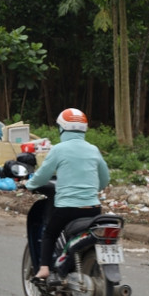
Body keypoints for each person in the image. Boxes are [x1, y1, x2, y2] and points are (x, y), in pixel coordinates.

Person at [24, 108, 109, 280]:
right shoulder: (93, 149)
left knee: (49, 234)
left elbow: (43, 175)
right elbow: (104, 179)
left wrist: (28, 184)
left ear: (62, 128)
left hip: (67, 209)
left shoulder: (58, 149)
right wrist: (93, 190)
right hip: (93, 209)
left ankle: (44, 269)